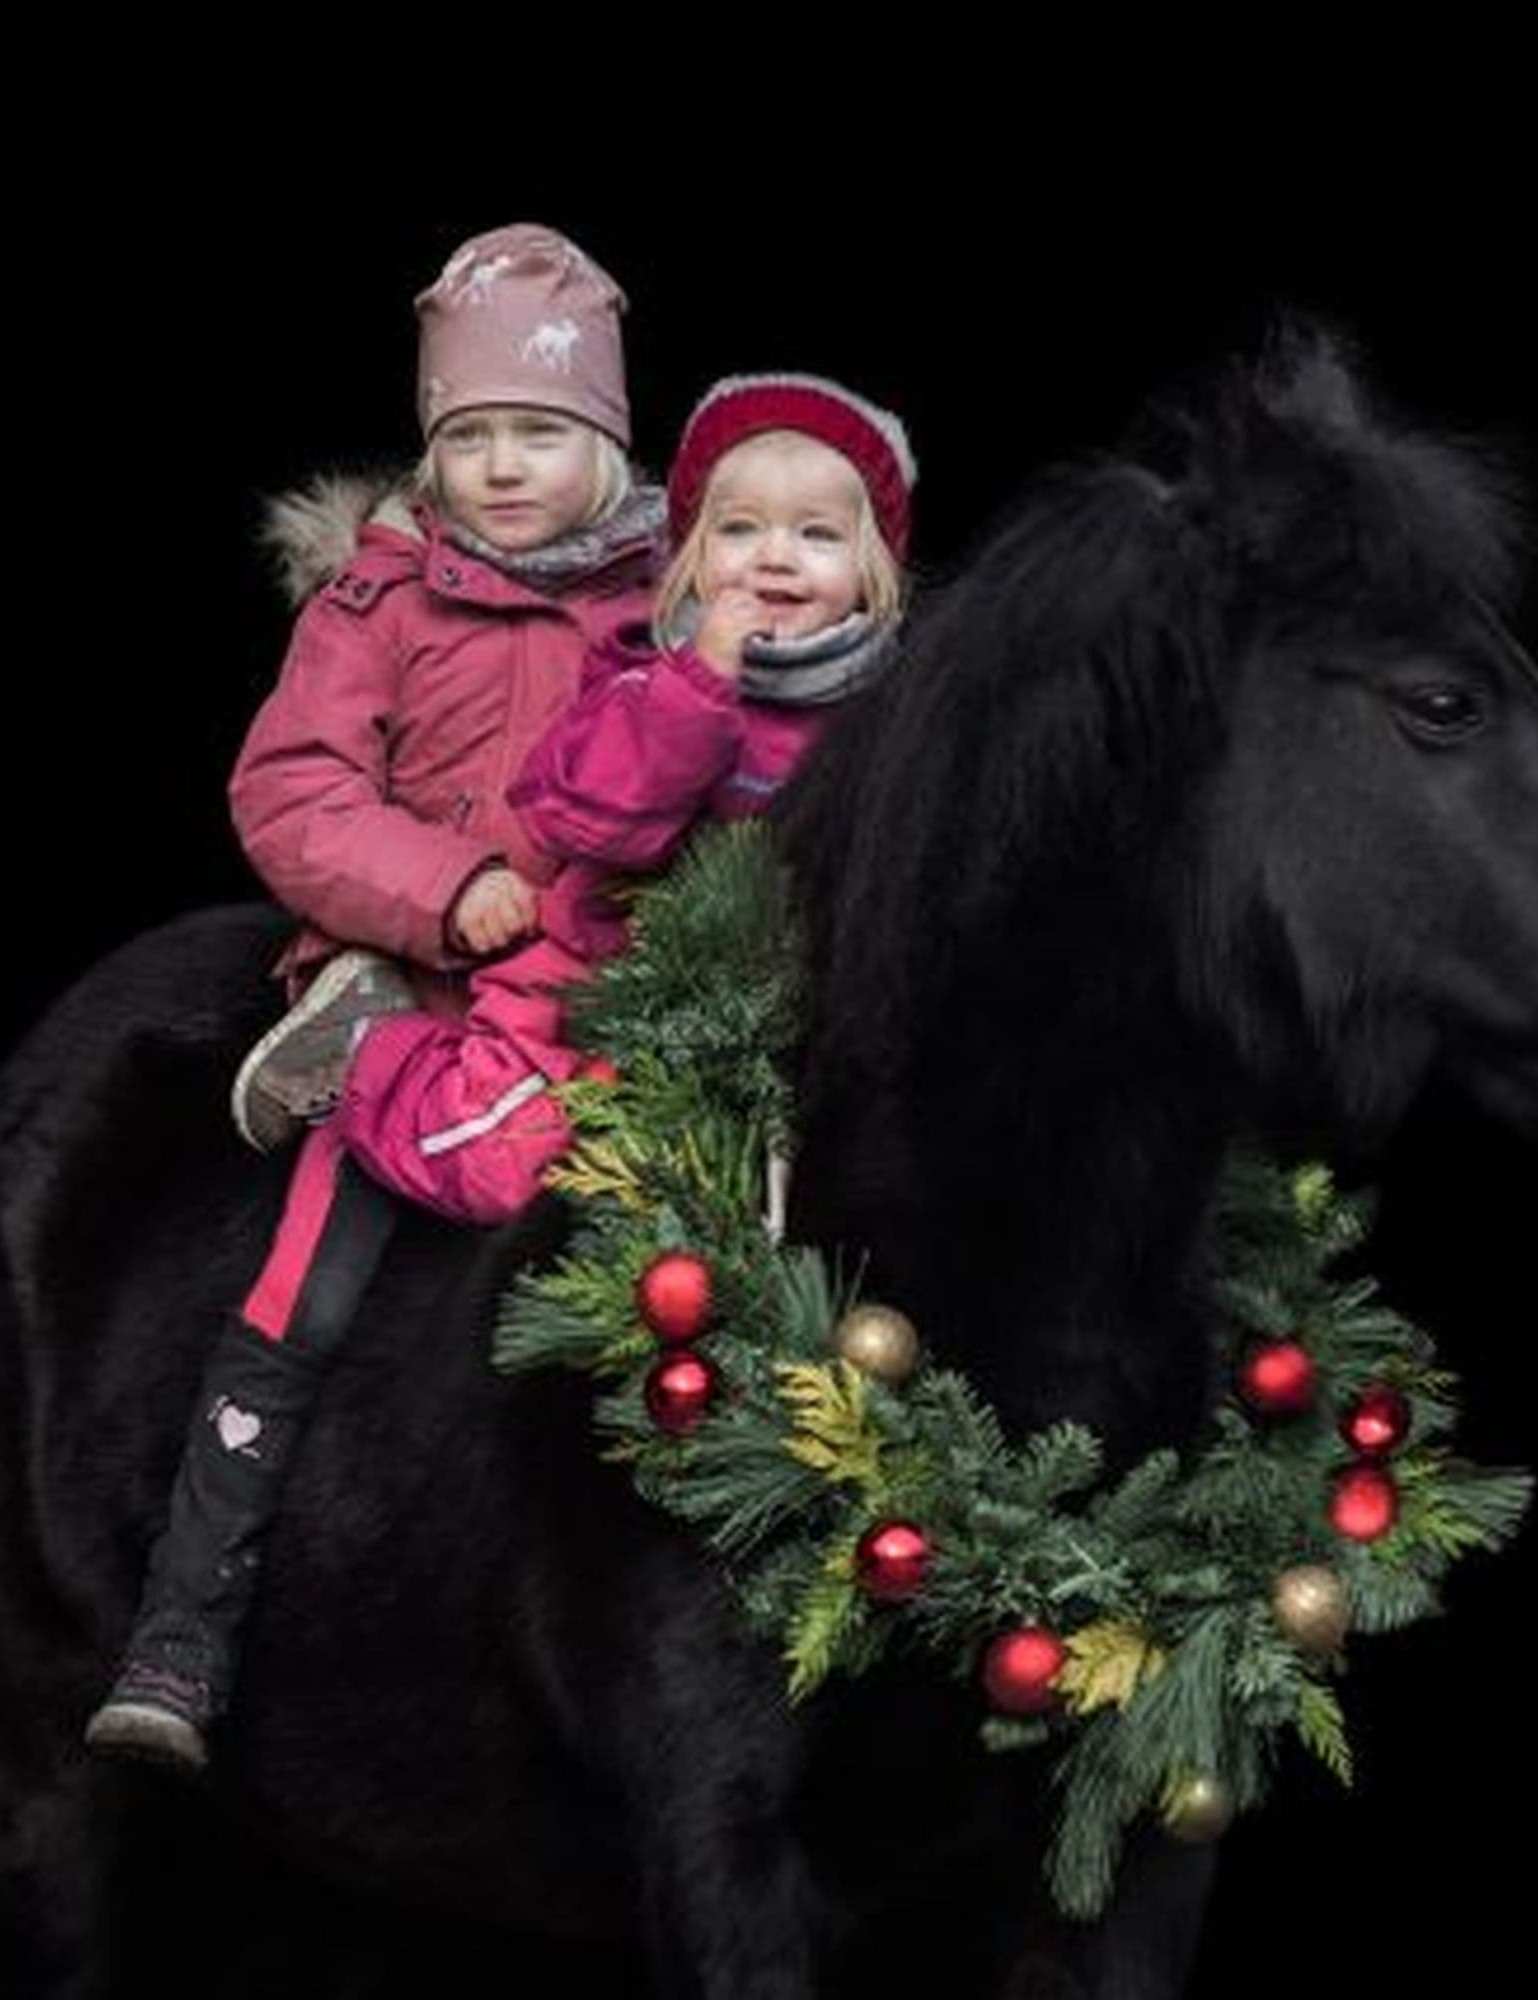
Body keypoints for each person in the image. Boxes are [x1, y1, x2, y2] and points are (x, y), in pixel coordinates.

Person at [84, 221, 662, 1768]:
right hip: (417, 1005)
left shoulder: (666, 610)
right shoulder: (379, 607)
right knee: (302, 1290)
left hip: (610, 1015)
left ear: (603, 444)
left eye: (537, 431)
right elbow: (291, 789)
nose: (497, 465)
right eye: (465, 434)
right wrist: (440, 889)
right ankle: (184, 1628)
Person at [335, 372, 917, 1224]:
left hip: (781, 1029)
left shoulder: (892, 713)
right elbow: (591, 818)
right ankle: (367, 1055)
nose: (775, 556)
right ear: (689, 554)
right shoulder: (640, 671)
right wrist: (699, 684)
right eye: (740, 529)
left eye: (818, 534)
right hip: (595, 994)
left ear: (872, 572)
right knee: (499, 1163)